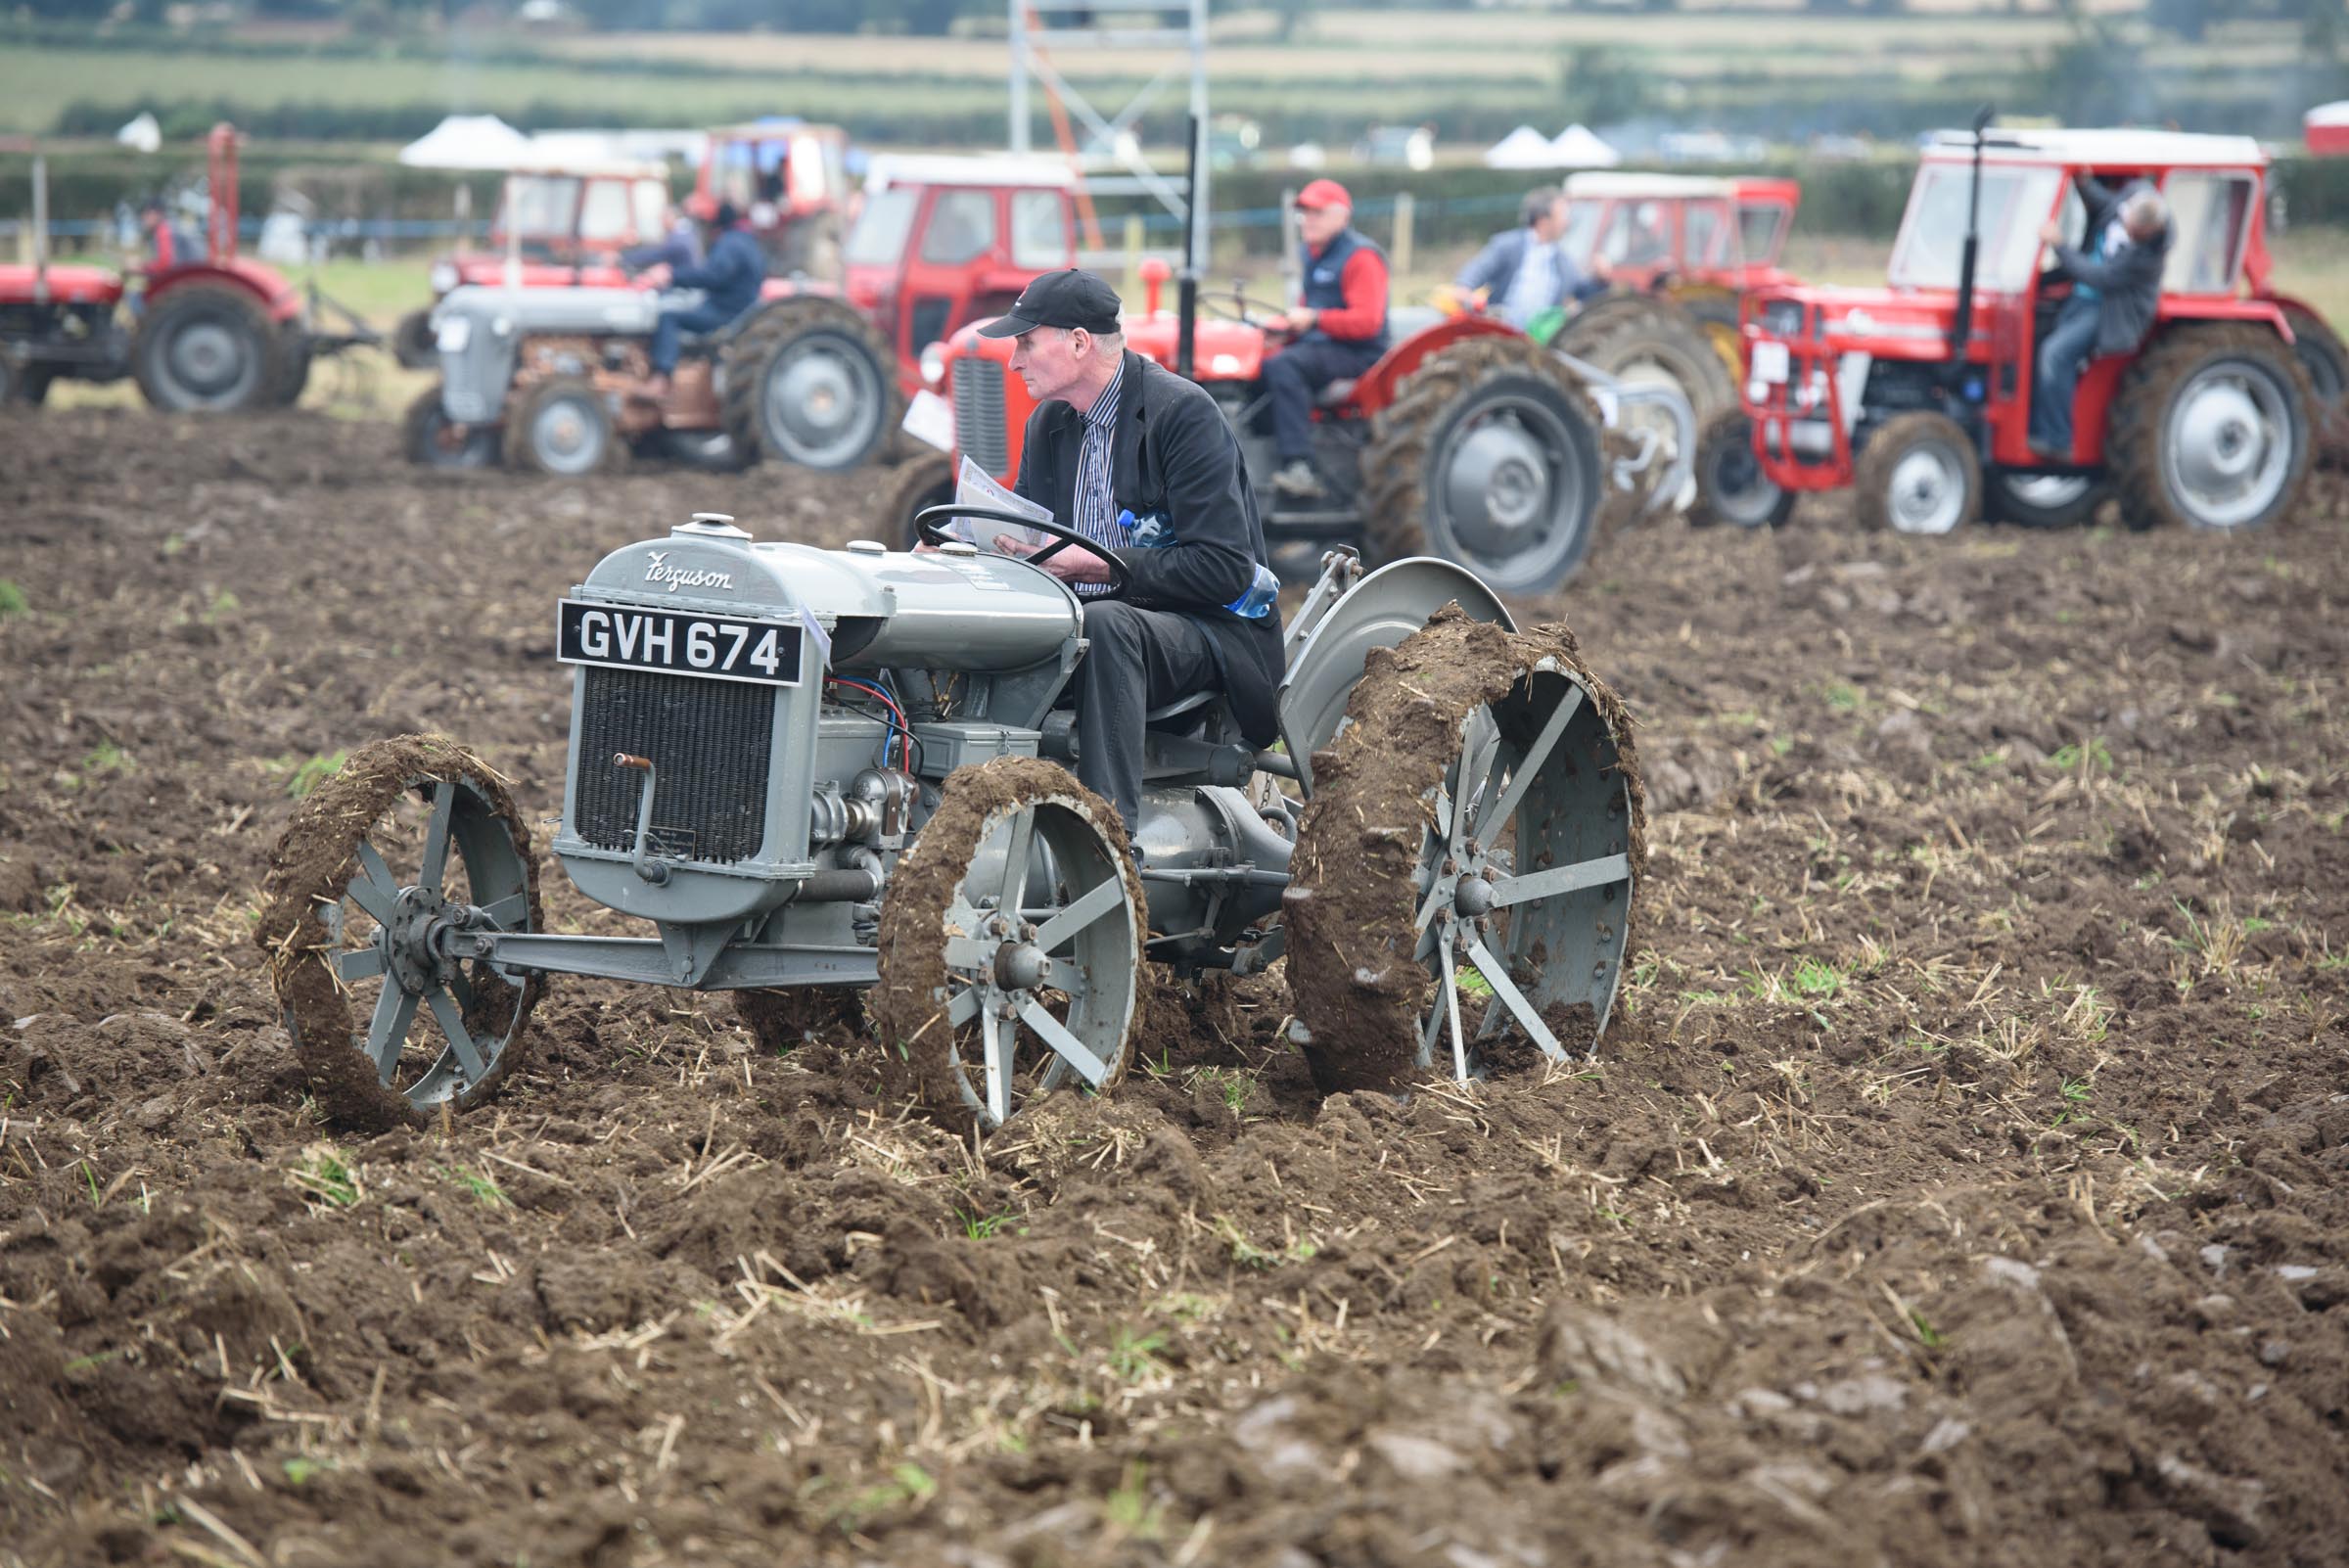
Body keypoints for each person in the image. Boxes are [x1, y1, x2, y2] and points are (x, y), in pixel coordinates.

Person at [975, 268, 1284, 844]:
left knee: (1107, 623)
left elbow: (1224, 570)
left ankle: (1110, 847)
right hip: (1086, 620)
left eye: (1025, 341)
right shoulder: (1049, 424)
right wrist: (966, 550)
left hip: (1204, 629)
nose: (1014, 360)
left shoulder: (1182, 414)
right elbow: (1032, 538)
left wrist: (1094, 565)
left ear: (1078, 342)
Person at [1263, 178, 1390, 500]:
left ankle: (1300, 466)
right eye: (1304, 213)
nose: (1308, 220)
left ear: (1341, 217)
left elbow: (1367, 322)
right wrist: (1285, 330)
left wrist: (1314, 319)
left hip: (1358, 354)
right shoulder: (1313, 254)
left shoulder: (1360, 257)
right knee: (1261, 364)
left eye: (1317, 212)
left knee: (1285, 367)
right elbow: (1309, 309)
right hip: (1323, 346)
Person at [2030, 177, 2172, 462]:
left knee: (2055, 355)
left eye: (2137, 234)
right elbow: (2102, 202)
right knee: (2034, 341)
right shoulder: (2128, 201)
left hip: (2107, 310)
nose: (2131, 236)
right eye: (2130, 229)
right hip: (2080, 298)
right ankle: (2035, 422)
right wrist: (2081, 181)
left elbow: (2102, 277)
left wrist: (2060, 245)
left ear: (2150, 231)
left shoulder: (2148, 253)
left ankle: (2057, 439)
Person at [632, 201, 765, 401]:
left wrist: (671, 276)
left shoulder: (730, 243)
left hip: (724, 311)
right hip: (738, 307)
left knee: (668, 317)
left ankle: (661, 380)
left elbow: (713, 276)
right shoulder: (747, 241)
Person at [1454, 186, 1610, 330]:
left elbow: (1583, 292)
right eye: (1562, 215)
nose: (1567, 222)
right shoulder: (1507, 246)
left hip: (1539, 341)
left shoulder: (1563, 261)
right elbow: (1477, 270)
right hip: (1499, 332)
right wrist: (1464, 289)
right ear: (1543, 220)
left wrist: (1600, 280)